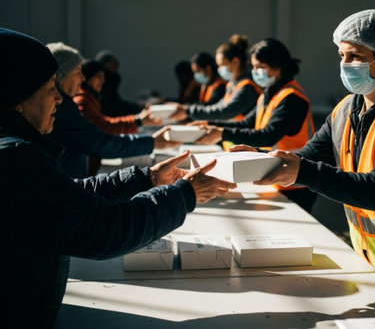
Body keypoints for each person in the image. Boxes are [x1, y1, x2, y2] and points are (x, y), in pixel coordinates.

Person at [0, 28, 236, 328]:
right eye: (49, 88)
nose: (59, 98)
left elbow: (65, 194)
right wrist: (184, 194)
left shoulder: (17, 151)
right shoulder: (15, 157)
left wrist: (146, 179)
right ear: (16, 97)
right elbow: (103, 228)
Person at [236, 10, 375, 316]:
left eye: (356, 56)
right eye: (342, 54)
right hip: (373, 265)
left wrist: (303, 172)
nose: (345, 64)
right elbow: (307, 157)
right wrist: (257, 161)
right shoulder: (346, 110)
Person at [194, 38, 317, 212]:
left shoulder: (292, 98)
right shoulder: (268, 95)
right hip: (273, 175)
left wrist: (222, 133)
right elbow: (247, 123)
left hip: (294, 182)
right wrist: (211, 126)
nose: (255, 72)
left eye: (260, 67)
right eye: (253, 67)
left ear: (277, 67)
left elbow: (268, 135)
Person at [45, 43, 178, 178]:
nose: (82, 78)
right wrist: (150, 141)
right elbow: (98, 140)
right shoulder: (67, 106)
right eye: (78, 72)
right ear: (61, 77)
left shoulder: (70, 102)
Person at [171, 35, 261, 123]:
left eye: (222, 65)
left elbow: (226, 111)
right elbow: (219, 106)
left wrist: (188, 111)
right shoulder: (233, 84)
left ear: (235, 62)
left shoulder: (247, 86)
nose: (219, 69)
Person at [74, 59, 160, 135]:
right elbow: (102, 127)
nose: (103, 81)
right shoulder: (83, 100)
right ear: (87, 77)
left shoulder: (90, 97)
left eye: (103, 77)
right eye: (98, 76)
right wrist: (137, 121)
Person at [96, 50, 146, 117]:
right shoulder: (107, 82)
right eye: (115, 64)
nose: (117, 68)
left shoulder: (110, 81)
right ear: (107, 64)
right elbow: (116, 106)